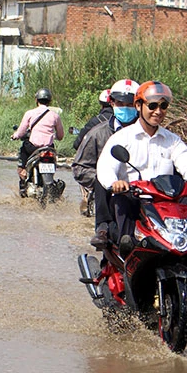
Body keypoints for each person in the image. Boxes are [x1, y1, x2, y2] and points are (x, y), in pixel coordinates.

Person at [96, 81, 187, 247]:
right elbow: (106, 167)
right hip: (135, 201)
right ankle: (125, 255)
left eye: (163, 106)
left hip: (166, 205)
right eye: (152, 106)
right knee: (122, 201)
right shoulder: (122, 138)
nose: (158, 111)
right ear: (138, 106)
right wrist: (115, 183)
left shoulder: (172, 140)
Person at [71, 79, 139, 248]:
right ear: (112, 103)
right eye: (120, 103)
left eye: (130, 104)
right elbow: (80, 167)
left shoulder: (151, 135)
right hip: (111, 194)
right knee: (102, 179)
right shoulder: (98, 133)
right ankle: (103, 229)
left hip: (144, 192)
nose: (125, 107)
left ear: (139, 105)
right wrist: (108, 181)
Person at [11, 88, 64, 197]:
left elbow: (21, 132)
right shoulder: (55, 116)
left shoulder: (30, 113)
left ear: (36, 100)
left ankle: (23, 178)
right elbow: (60, 136)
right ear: (50, 101)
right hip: (49, 149)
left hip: (33, 148)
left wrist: (15, 136)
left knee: (23, 151)